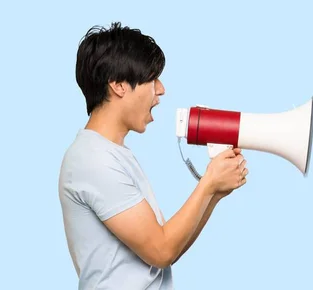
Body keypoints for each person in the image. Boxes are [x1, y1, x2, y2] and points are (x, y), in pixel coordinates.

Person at [58, 22, 248, 289]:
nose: (160, 90)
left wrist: (214, 193)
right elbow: (161, 251)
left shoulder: (112, 154)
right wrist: (208, 184)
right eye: (151, 78)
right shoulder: (93, 160)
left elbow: (167, 250)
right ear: (119, 85)